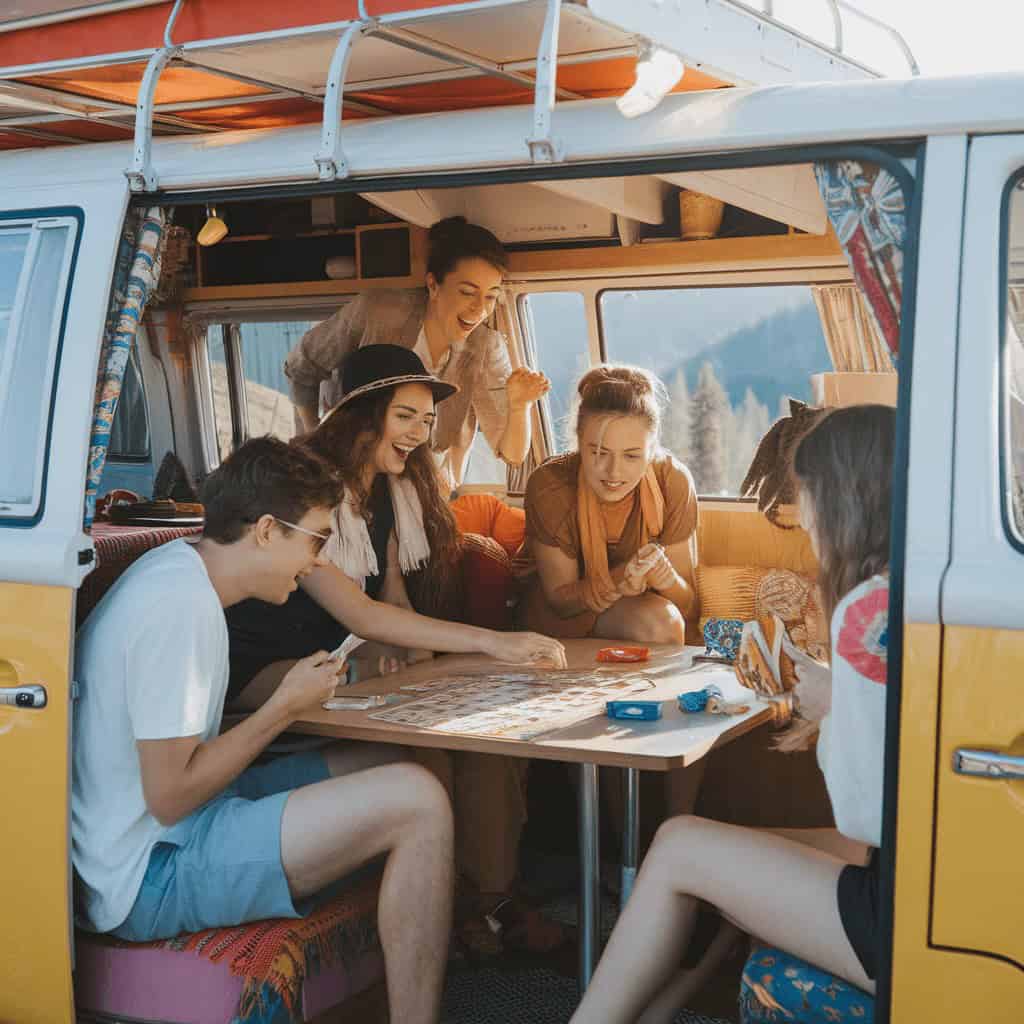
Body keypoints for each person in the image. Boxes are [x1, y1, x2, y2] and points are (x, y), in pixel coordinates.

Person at [72, 437, 454, 1024]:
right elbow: (169, 796)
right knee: (419, 802)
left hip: (175, 823)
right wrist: (282, 707)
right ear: (269, 530)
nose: (320, 561)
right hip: (146, 869)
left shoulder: (182, 570)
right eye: (316, 539)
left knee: (395, 759)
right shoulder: (177, 610)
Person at [225, 344, 569, 958]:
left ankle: (491, 900)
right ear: (364, 413)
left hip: (337, 659)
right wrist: (493, 640)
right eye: (405, 415)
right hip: (262, 666)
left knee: (474, 732)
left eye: (427, 421)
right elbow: (359, 612)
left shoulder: (390, 489)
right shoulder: (304, 487)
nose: (418, 433)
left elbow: (392, 599)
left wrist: (446, 667)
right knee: (421, 745)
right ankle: (462, 913)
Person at [569, 403, 895, 1024]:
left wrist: (831, 710)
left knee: (678, 844)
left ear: (846, 499)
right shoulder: (914, 589)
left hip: (896, 916)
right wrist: (828, 691)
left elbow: (862, 812)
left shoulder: (866, 614)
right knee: (727, 859)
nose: (804, 522)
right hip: (935, 879)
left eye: (808, 497)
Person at [284, 215, 550, 489]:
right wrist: (313, 437)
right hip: (351, 471)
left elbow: (513, 454)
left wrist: (520, 406)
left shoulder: (485, 347)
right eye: (468, 293)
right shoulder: (378, 312)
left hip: (426, 488)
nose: (480, 309)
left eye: (491, 296)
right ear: (434, 285)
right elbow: (302, 368)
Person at [520, 364, 698, 644]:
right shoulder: (550, 485)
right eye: (599, 453)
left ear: (651, 451)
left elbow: (688, 604)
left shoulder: (672, 481)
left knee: (665, 623)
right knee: (657, 622)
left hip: (632, 609)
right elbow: (560, 602)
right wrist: (619, 579)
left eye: (631, 456)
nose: (614, 472)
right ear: (579, 441)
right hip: (561, 617)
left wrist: (666, 578)